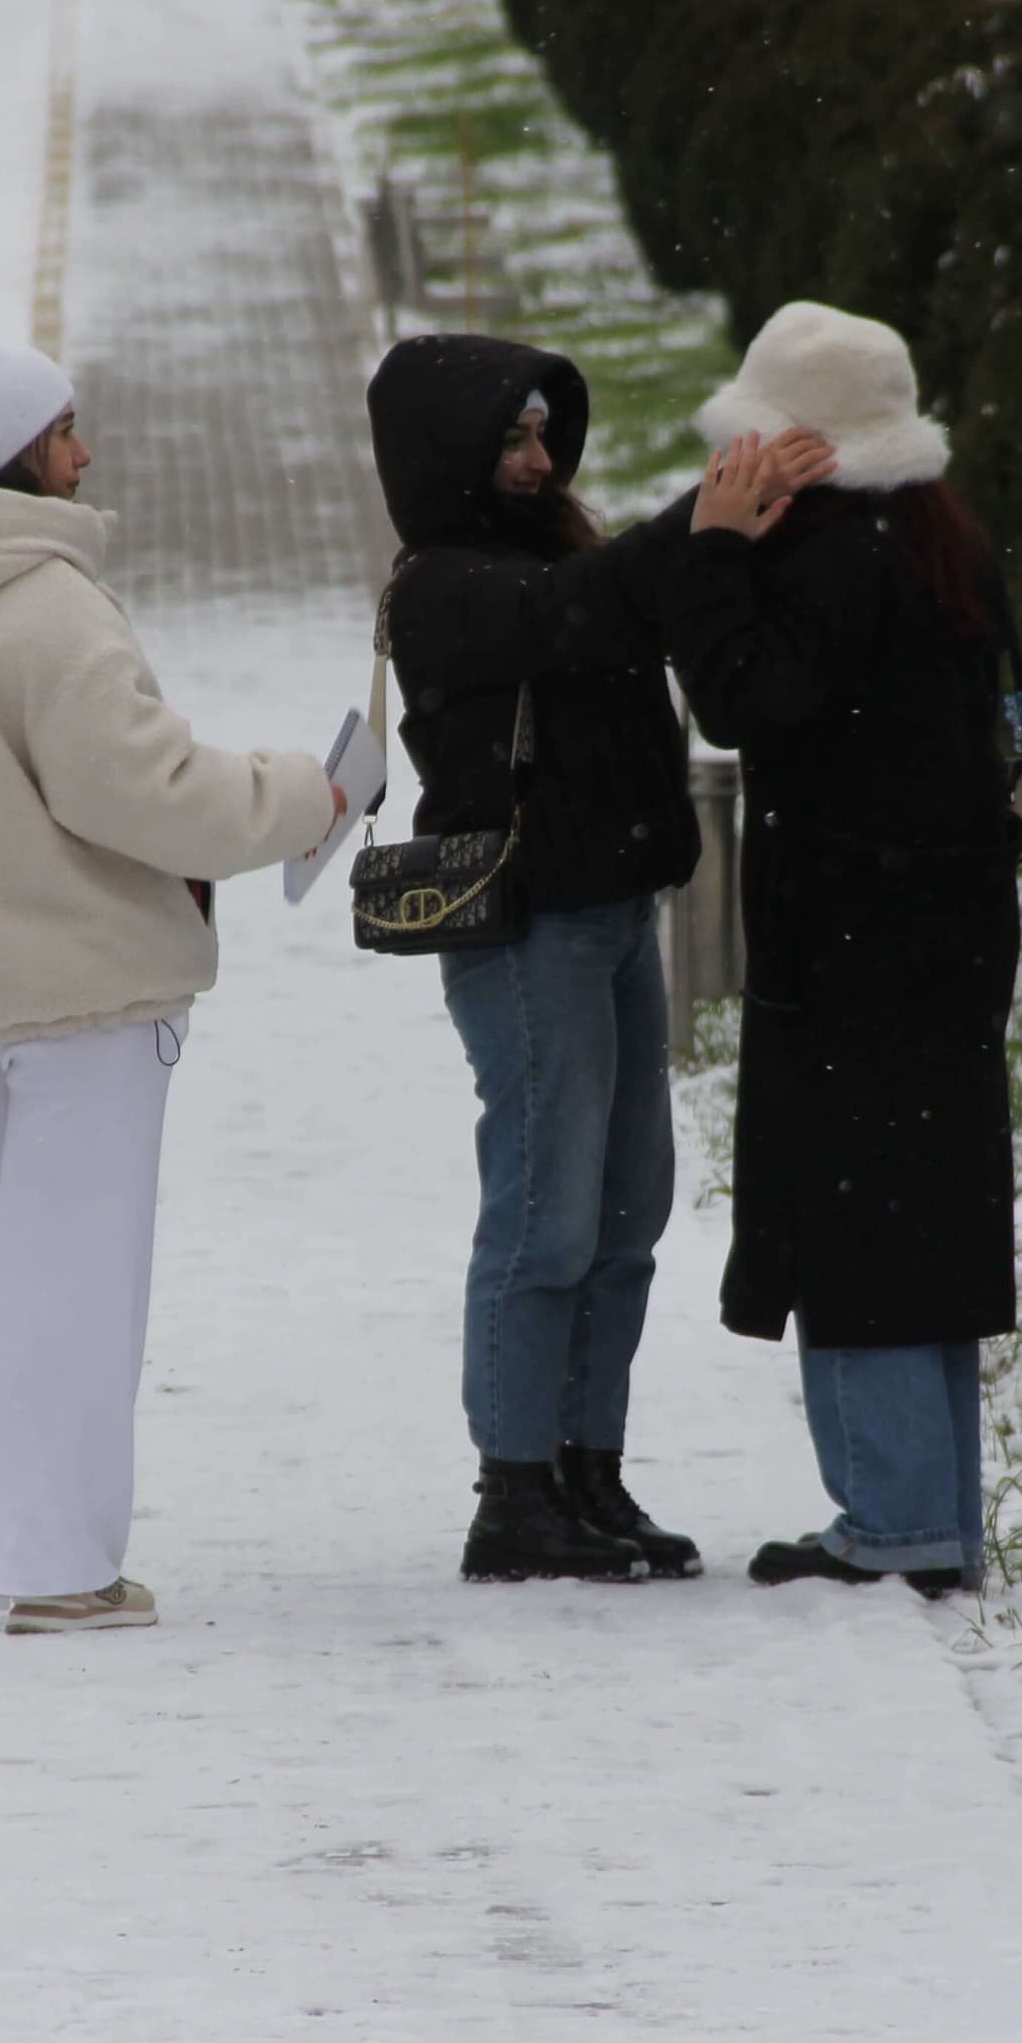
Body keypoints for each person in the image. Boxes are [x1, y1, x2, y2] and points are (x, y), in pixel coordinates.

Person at [0, 324, 345, 1632]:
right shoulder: (45, 604)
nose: (85, 451)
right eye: (64, 433)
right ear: (18, 455)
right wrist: (305, 795)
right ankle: (60, 1567)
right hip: (79, 989)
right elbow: (149, 794)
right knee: (76, 1281)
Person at [365, 334, 831, 1585]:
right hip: (528, 932)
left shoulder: (562, 549)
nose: (534, 458)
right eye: (506, 439)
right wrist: (710, 511)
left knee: (627, 1211)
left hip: (614, 909)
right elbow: (574, 617)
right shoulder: (445, 583)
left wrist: (738, 517)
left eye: (540, 435)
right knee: (544, 1212)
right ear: (445, 452)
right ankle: (512, 1491)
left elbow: (623, 597)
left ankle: (587, 1467)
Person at [653, 303, 1022, 1599]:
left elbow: (747, 699)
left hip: (852, 932)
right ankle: (939, 1509)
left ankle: (894, 1521)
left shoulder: (829, 563)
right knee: (932, 1218)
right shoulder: (943, 543)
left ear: (788, 443)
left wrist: (710, 551)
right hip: (956, 928)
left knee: (854, 1218)